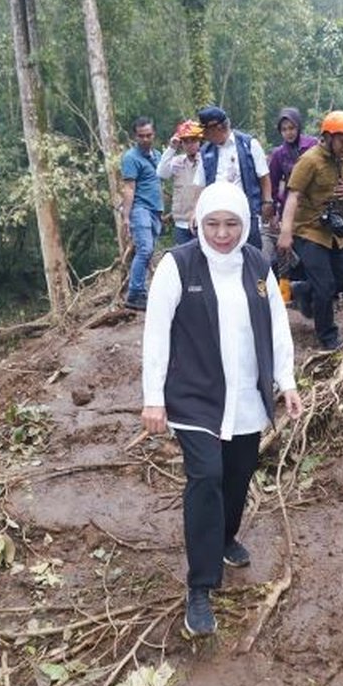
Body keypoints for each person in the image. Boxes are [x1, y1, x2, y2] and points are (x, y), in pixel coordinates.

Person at [140, 182, 304, 638]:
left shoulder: (257, 265)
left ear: (245, 224)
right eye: (212, 223)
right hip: (195, 397)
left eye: (232, 224)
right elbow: (156, 333)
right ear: (199, 223)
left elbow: (277, 326)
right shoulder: (178, 265)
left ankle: (227, 536)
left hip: (247, 396)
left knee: (238, 474)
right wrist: (153, 397)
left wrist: (287, 381)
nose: (222, 233)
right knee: (207, 476)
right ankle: (200, 586)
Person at [277, 110, 343, 350]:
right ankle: (327, 336)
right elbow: (293, 195)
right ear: (328, 137)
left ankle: (302, 290)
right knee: (325, 286)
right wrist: (286, 232)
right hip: (309, 230)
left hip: (335, 232)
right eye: (342, 140)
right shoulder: (310, 160)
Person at [194, 106, 274, 253]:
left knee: (251, 252)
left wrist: (267, 201)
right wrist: (195, 211)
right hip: (217, 212)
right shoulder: (205, 151)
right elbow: (200, 185)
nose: (205, 136)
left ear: (218, 128)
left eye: (206, 131)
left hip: (247, 211)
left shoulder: (248, 144)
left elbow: (264, 176)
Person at [121, 117, 163, 310]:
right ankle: (135, 293)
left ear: (154, 134)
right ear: (135, 137)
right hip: (140, 209)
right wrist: (126, 217)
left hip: (155, 210)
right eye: (141, 136)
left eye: (148, 135)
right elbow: (129, 188)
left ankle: (142, 292)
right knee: (144, 249)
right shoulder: (131, 157)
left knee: (149, 251)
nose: (145, 139)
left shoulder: (157, 155)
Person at [267, 108, 319, 237]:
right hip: (291, 205)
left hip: (315, 203)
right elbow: (272, 184)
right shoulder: (279, 154)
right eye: (284, 130)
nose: (288, 133)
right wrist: (274, 212)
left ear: (298, 127)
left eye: (291, 128)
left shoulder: (313, 145)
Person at [157, 120, 205, 246]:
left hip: (202, 221)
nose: (189, 145)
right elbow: (161, 173)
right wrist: (172, 148)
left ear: (200, 141)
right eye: (185, 141)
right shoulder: (177, 162)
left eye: (193, 140)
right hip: (181, 222)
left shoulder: (206, 161)